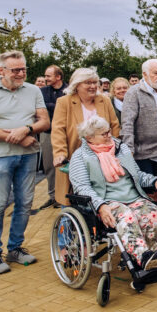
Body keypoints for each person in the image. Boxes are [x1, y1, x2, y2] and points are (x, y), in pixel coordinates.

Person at [0, 50, 50, 274]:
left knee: (25, 203)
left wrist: (26, 129)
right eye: (15, 70)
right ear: (1, 70)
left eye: (23, 69)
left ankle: (15, 248)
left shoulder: (33, 90)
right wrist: (16, 137)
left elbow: (44, 121)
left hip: (28, 155)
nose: (21, 74)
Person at [68, 115, 157, 272]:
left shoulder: (121, 149)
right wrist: (100, 206)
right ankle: (142, 257)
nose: (110, 136)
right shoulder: (80, 157)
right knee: (126, 216)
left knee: (153, 214)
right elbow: (82, 188)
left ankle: (145, 257)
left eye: (109, 131)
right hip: (107, 202)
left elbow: (137, 174)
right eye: (104, 134)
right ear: (89, 137)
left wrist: (155, 181)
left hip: (133, 197)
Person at [51, 68, 121, 207]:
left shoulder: (104, 100)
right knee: (72, 199)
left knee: (102, 197)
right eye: (88, 83)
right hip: (75, 156)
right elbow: (58, 130)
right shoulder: (64, 102)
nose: (93, 86)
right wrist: (60, 153)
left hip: (103, 157)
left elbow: (114, 125)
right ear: (77, 85)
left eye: (95, 82)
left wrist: (113, 148)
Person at [121, 59, 157, 215]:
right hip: (142, 153)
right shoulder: (134, 92)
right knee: (148, 193)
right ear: (144, 74)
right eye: (155, 73)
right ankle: (150, 224)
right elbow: (127, 122)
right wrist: (128, 150)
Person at [38, 64, 67, 209]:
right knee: (49, 165)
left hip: (66, 133)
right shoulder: (42, 91)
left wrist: (49, 105)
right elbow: (40, 107)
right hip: (48, 133)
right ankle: (53, 196)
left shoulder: (69, 90)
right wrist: (57, 105)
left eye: (48, 76)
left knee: (67, 165)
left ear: (58, 77)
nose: (46, 78)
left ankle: (67, 194)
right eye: (45, 76)